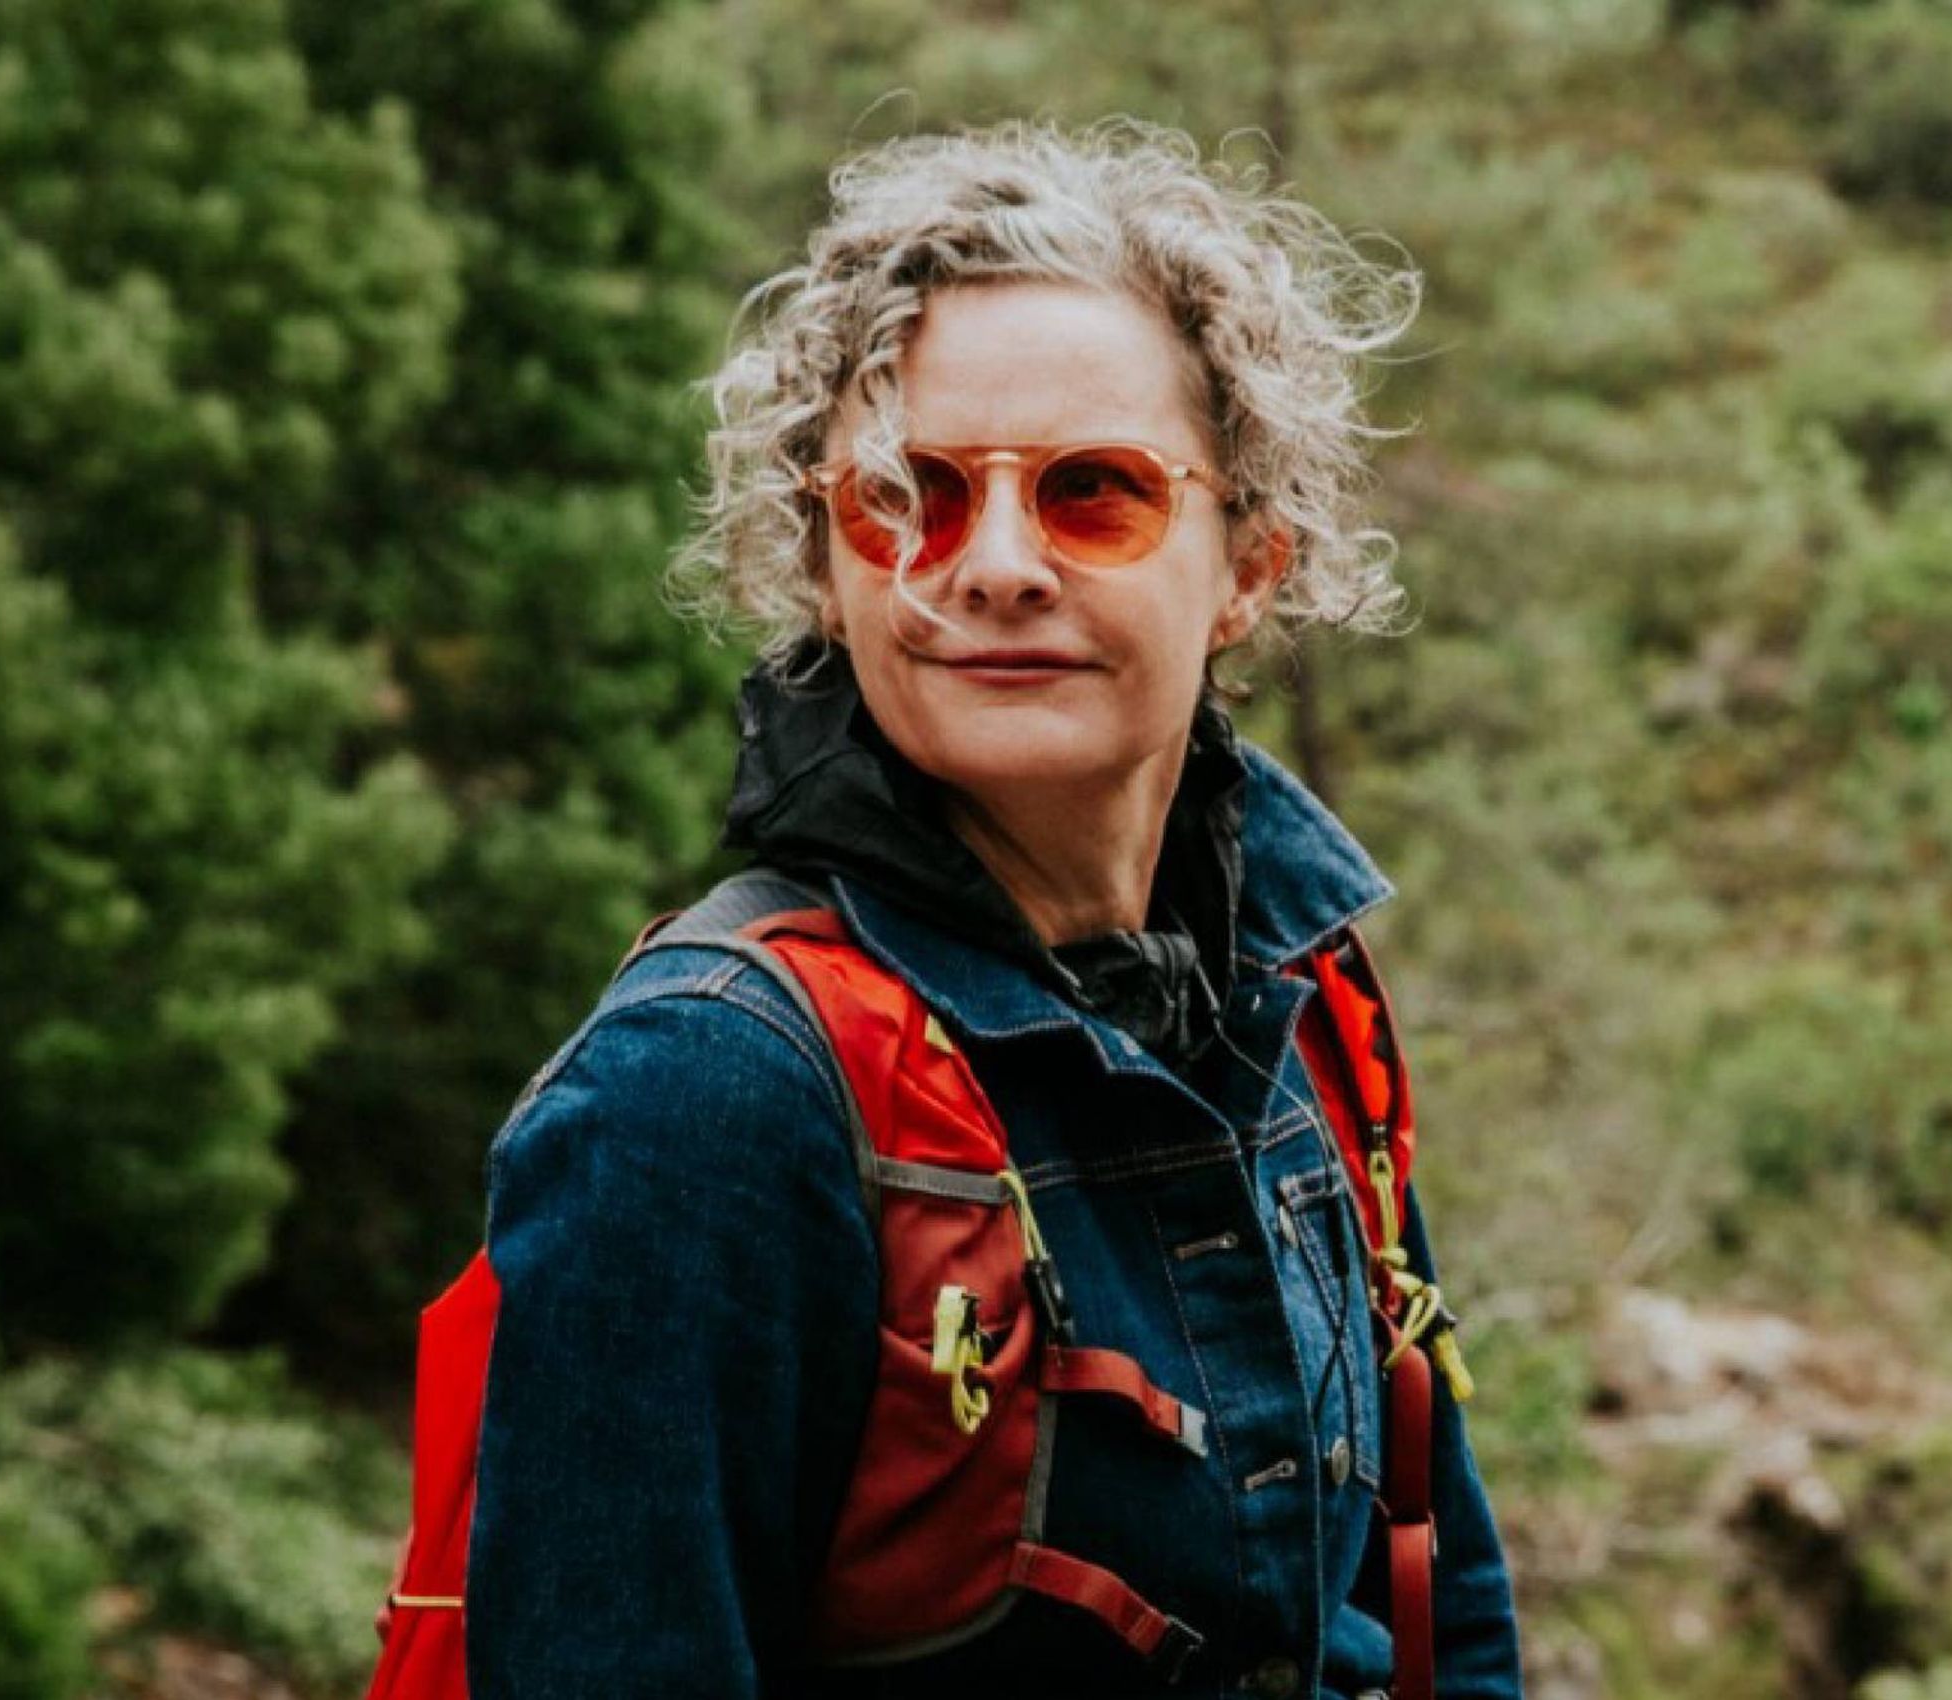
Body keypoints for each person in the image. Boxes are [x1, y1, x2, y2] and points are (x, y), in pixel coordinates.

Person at [460, 118, 1523, 1699]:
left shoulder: (1305, 1011)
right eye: (911, 497)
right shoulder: (706, 1097)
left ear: (1248, 564)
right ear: (829, 561)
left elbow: (1447, 1619)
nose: (998, 563)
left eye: (1096, 494)